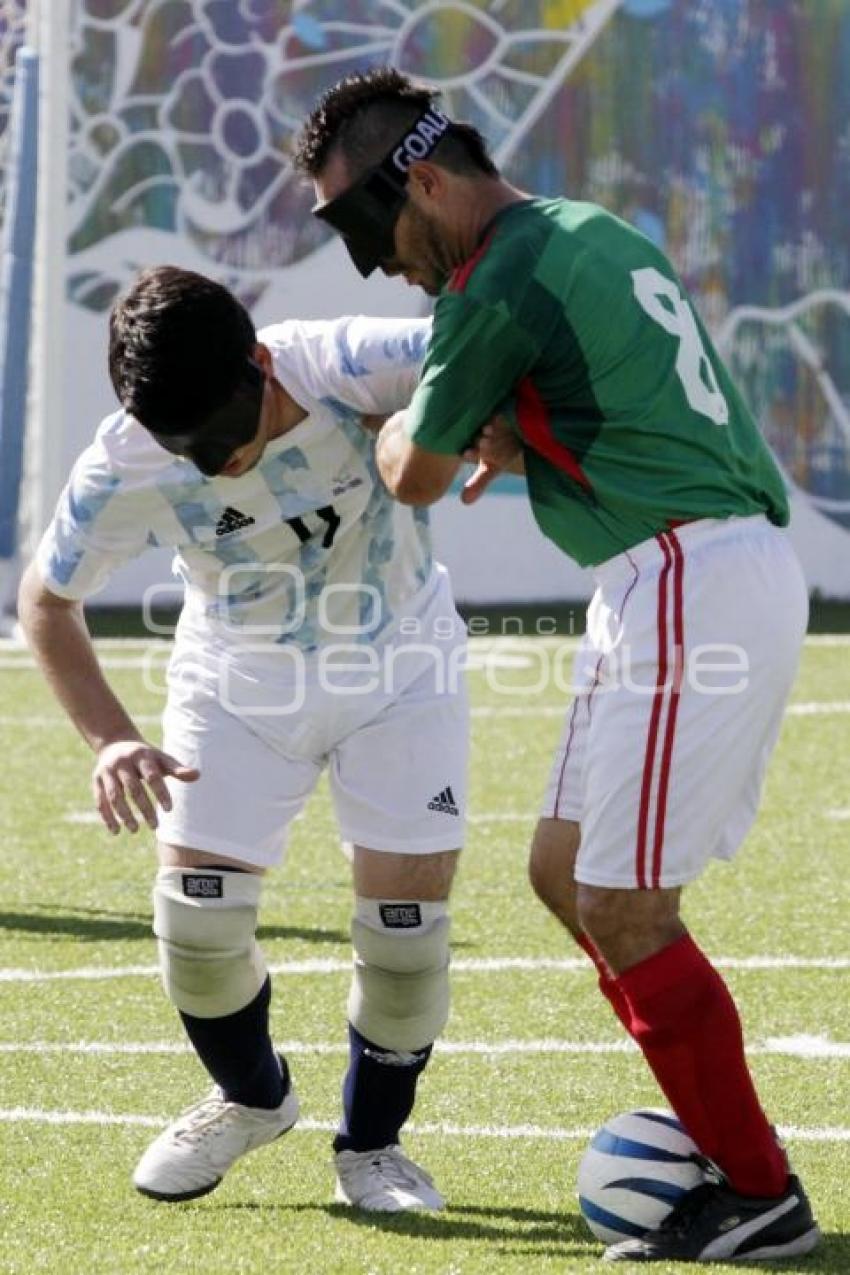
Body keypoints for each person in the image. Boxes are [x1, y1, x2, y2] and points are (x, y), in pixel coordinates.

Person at [293, 67, 821, 1263]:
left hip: (686, 579)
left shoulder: (496, 283)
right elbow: (659, 420)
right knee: (561, 868)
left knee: (625, 908)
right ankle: (712, 1130)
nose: (377, 264)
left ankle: (757, 1191)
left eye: (370, 227)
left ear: (423, 179)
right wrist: (531, 439)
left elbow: (413, 475)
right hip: (673, 571)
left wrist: (396, 426)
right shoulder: (584, 228)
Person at [17, 265, 469, 1213]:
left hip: (402, 665)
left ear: (261, 363)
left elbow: (482, 354)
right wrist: (108, 738)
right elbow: (47, 602)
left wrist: (493, 427)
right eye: (189, 448)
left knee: (406, 941)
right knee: (197, 929)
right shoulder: (128, 462)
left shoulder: (350, 364)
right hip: (236, 682)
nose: (216, 463)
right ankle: (250, 1098)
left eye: (226, 436)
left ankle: (373, 1149)